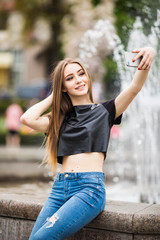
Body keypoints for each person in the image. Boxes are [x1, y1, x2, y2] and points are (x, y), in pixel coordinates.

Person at [20, 47, 155, 240]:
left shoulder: (106, 111)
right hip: (60, 188)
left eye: (81, 74)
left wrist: (148, 54)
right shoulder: (60, 119)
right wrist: (55, 95)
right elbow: (27, 119)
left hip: (89, 189)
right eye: (70, 78)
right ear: (63, 87)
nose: (79, 80)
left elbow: (135, 87)